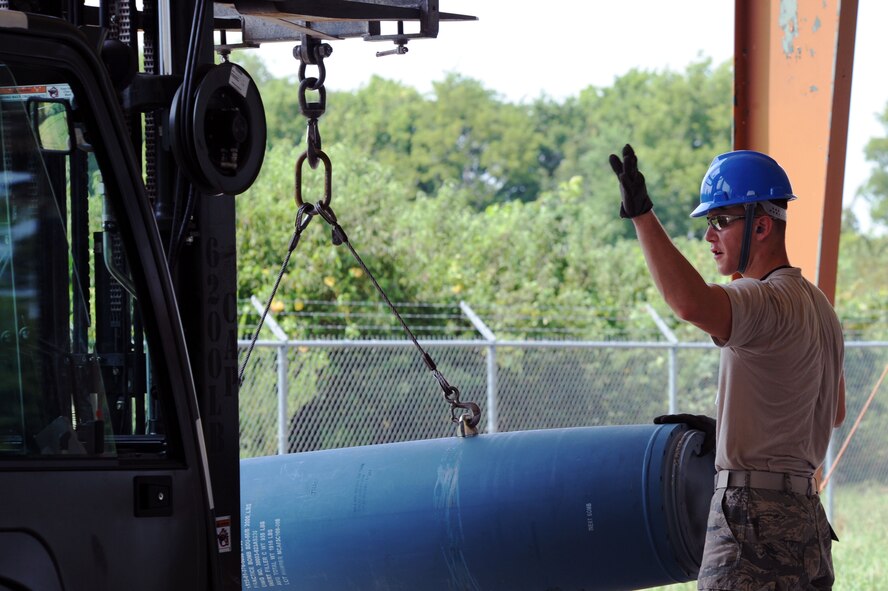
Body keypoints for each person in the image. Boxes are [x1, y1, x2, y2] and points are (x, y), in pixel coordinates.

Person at [609, 145, 846, 590]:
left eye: (720, 220)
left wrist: (642, 216)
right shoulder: (821, 308)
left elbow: (691, 303)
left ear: (761, 225)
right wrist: (743, 429)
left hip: (752, 519)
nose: (709, 235)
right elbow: (833, 412)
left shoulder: (764, 299)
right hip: (806, 523)